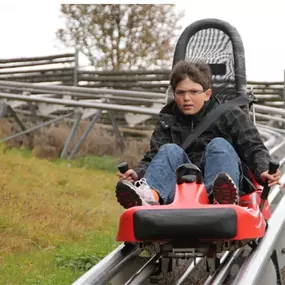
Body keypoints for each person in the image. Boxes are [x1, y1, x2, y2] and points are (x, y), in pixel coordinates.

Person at [116, 61, 281, 209]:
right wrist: (137, 173)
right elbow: (154, 156)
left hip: (223, 176)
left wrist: (264, 169)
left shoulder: (230, 114)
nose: (187, 98)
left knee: (219, 144)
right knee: (169, 150)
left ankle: (221, 197)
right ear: (174, 94)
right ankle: (149, 198)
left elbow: (253, 147)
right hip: (179, 188)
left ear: (207, 94)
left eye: (194, 92)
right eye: (181, 93)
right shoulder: (168, 119)